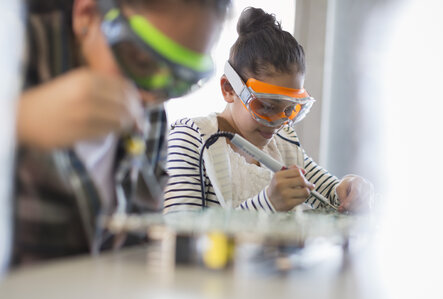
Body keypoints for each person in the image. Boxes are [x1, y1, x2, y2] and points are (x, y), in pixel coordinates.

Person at [13, 0, 231, 265]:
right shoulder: (16, 46)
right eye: (141, 61)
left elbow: (135, 245)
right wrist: (19, 121)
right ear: (87, 14)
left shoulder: (151, 112)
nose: (151, 94)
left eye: (179, 80)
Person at [163, 7, 373, 214]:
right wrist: (266, 205)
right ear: (229, 90)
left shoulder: (283, 144)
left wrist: (350, 189)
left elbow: (332, 198)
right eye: (267, 107)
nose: (277, 123)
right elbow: (177, 236)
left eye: (289, 110)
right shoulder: (192, 139)